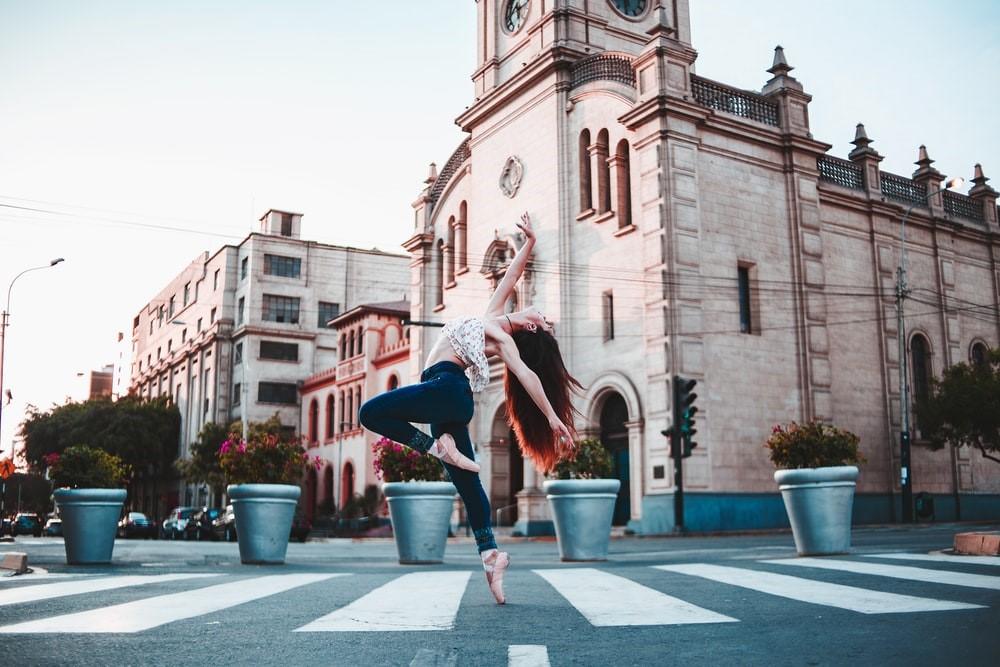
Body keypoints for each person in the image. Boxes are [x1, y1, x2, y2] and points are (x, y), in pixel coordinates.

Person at [359, 212, 581, 605]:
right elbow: (511, 277)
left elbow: (529, 378)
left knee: (370, 413)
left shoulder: (501, 336)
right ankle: (490, 556)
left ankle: (434, 448)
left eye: (543, 321)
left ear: (531, 327)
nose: (541, 316)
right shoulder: (494, 316)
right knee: (469, 485)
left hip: (445, 388)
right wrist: (529, 243)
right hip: (450, 400)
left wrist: (552, 417)